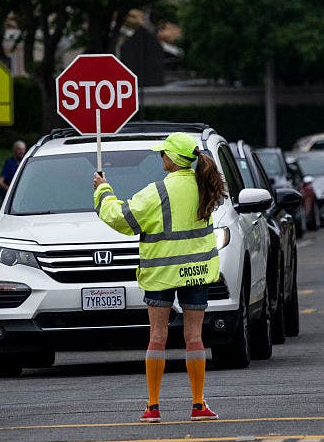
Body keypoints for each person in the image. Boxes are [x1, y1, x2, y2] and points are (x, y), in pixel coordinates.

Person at [92, 132, 226, 423]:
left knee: (157, 337)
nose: (160, 158)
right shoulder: (206, 187)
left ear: (172, 159)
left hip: (161, 274)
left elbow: (122, 219)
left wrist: (103, 191)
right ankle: (198, 405)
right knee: (194, 338)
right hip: (196, 274)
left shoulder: (157, 191)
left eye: (162, 153)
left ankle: (153, 407)